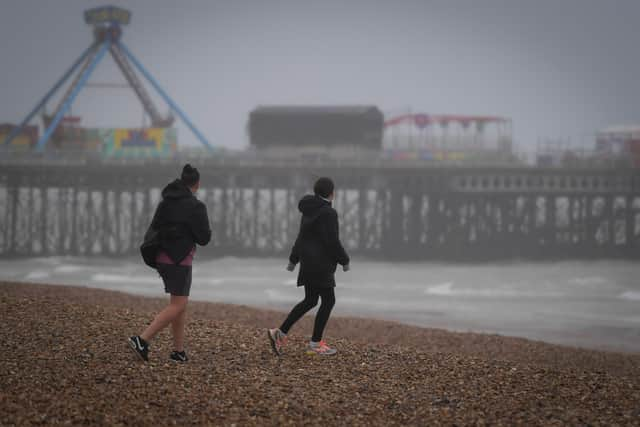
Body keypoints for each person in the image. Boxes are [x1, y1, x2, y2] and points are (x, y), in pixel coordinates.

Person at [128, 164, 211, 362]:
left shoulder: (166, 202)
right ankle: (142, 339)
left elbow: (156, 227)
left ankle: (178, 352)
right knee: (177, 305)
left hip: (162, 258)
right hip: (180, 260)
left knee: (179, 304)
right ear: (197, 184)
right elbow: (204, 238)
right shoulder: (196, 206)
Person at [268, 177, 350, 356]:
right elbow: (332, 241)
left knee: (311, 300)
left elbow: (301, 236)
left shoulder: (309, 210)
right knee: (329, 301)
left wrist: (293, 259)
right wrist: (344, 260)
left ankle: (279, 333)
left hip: (308, 263)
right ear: (331, 193)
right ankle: (315, 343)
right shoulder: (329, 213)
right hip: (321, 264)